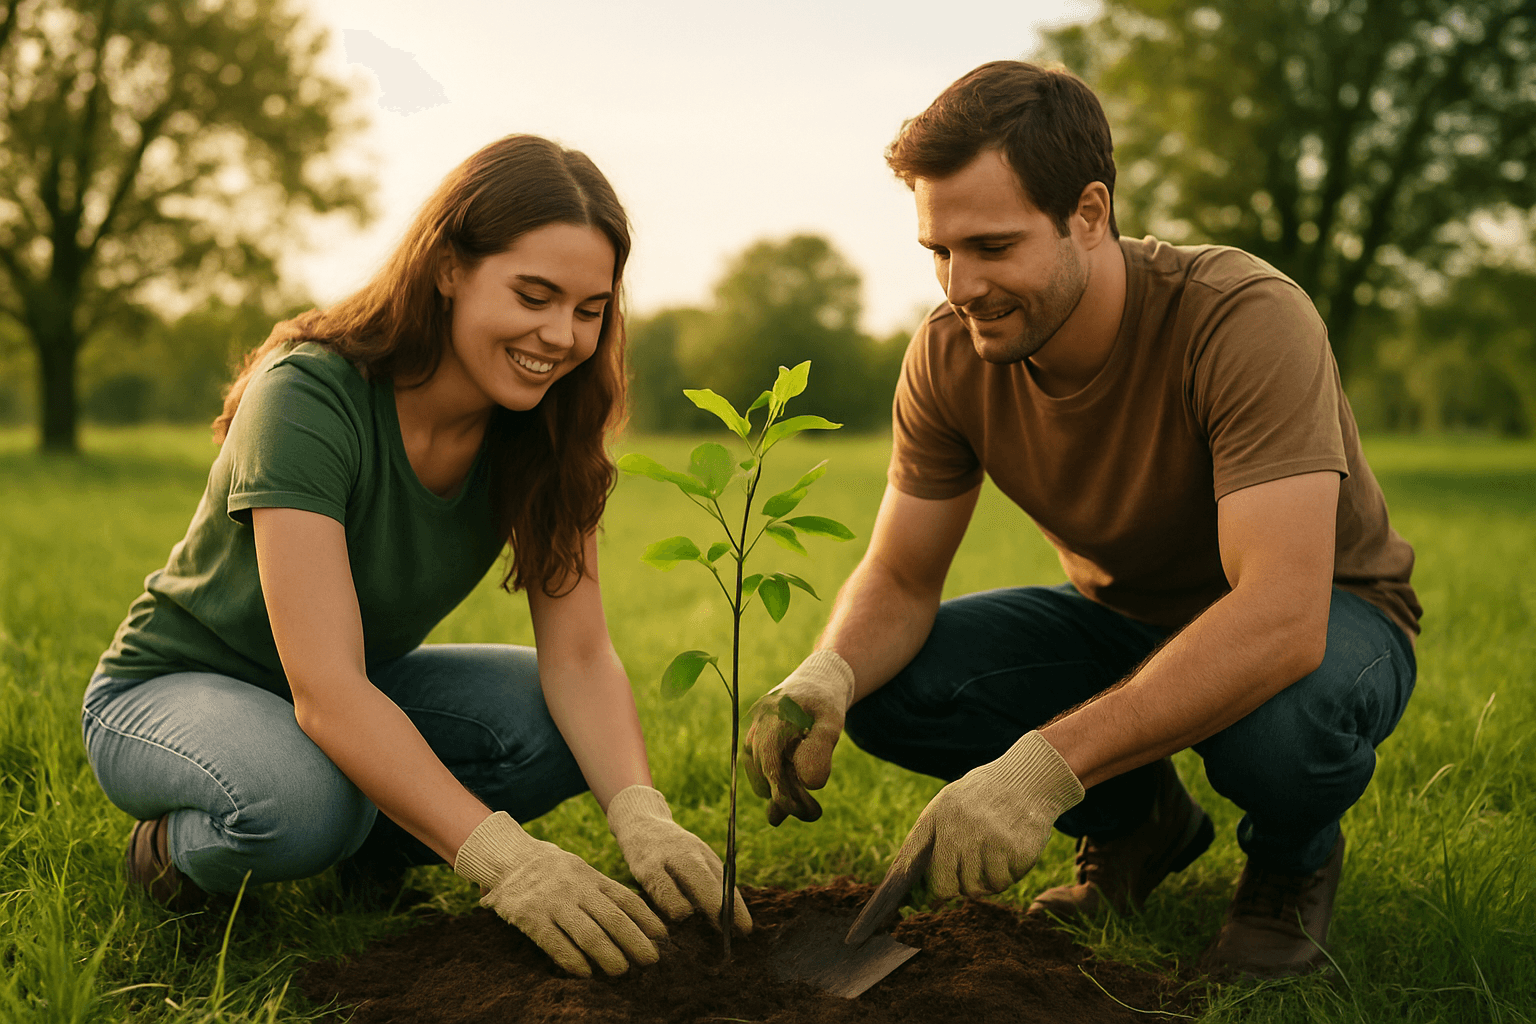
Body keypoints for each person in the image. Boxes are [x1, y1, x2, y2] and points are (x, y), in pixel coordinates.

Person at [744, 61, 1418, 979]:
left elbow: (1281, 616)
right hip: (1120, 616)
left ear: (1089, 213)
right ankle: (1140, 823)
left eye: (991, 246)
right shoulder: (949, 357)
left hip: (1327, 616)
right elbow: (901, 577)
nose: (959, 284)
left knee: (1281, 729)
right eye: (939, 251)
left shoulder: (1242, 318)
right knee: (894, 688)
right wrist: (828, 672)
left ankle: (1288, 865)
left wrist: (1045, 767)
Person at [82, 134, 751, 980]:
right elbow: (324, 691)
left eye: (590, 309)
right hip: (176, 691)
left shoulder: (548, 428)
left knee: (551, 725)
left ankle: (368, 851)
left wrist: (640, 811)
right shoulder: (308, 393)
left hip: (351, 686)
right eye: (534, 295)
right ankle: (171, 853)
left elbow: (579, 657)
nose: (562, 335)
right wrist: (507, 862)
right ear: (446, 268)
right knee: (299, 802)